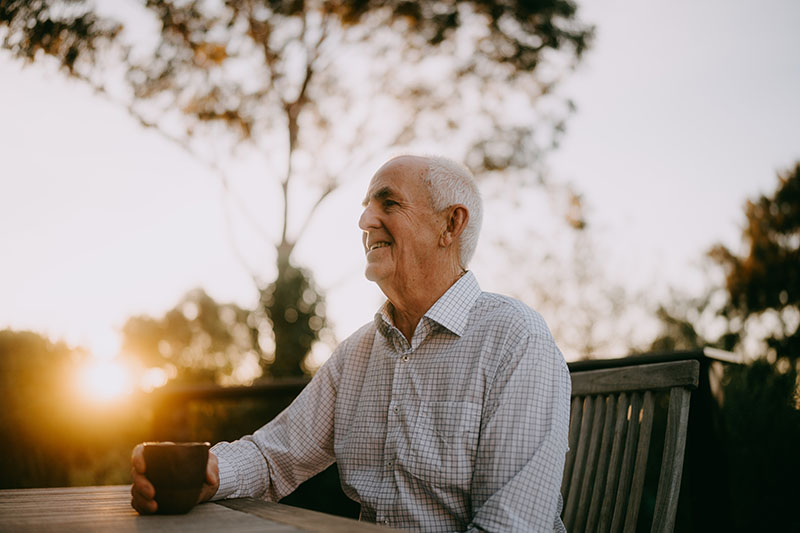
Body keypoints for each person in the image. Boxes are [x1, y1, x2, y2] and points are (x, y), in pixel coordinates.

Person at [132, 155, 571, 532]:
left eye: (389, 203)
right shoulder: (359, 352)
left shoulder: (516, 340)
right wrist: (208, 472)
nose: (364, 221)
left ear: (450, 225)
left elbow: (510, 527)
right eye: (365, 208)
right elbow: (274, 457)